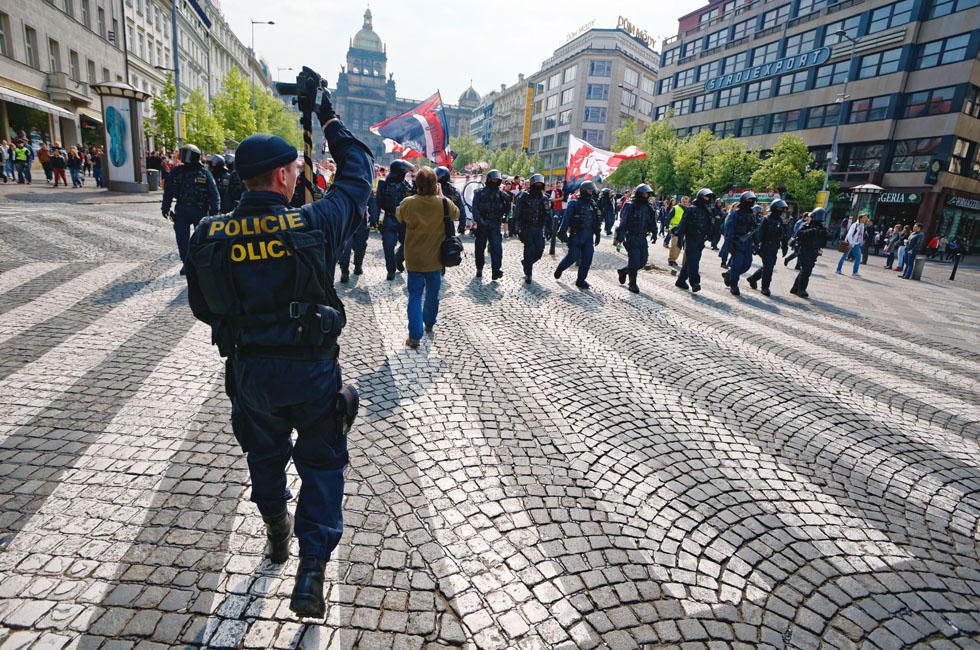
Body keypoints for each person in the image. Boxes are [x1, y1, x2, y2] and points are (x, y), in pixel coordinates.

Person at [185, 85, 372, 619]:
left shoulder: (209, 235)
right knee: (322, 463)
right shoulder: (313, 222)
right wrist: (329, 119)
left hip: (250, 373)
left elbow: (204, 308)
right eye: (293, 169)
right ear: (284, 175)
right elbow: (358, 175)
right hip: (312, 373)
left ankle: (276, 532)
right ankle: (311, 570)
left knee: (264, 457)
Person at [396, 166, 458, 347]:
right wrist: (441, 195)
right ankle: (429, 322)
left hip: (414, 259)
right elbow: (457, 214)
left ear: (417, 184)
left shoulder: (409, 203)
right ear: (436, 184)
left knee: (414, 296)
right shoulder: (443, 203)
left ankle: (415, 336)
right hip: (436, 259)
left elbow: (399, 215)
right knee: (433, 293)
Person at [161, 143, 219, 274]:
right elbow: (168, 191)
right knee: (182, 239)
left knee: (201, 239)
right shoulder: (176, 171)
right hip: (182, 210)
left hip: (200, 210)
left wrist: (214, 212)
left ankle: (200, 263)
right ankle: (186, 263)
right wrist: (165, 207)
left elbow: (214, 194)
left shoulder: (204, 173)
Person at [555, 181, 601, 289]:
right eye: (589, 190)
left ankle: (581, 280)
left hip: (589, 235)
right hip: (576, 234)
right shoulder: (574, 203)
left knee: (587, 257)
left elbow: (597, 220)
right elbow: (566, 219)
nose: (591, 192)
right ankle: (560, 269)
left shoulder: (593, 205)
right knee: (572, 256)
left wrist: (598, 233)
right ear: (584, 190)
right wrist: (562, 232)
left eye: (592, 190)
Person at [615, 184, 657, 294]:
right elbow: (623, 222)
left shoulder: (649, 207)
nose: (646, 195)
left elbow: (652, 221)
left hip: (642, 237)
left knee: (642, 262)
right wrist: (620, 237)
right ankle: (632, 283)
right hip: (631, 237)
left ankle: (624, 271)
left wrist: (655, 233)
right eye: (644, 193)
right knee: (634, 261)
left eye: (647, 194)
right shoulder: (629, 205)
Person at [471, 169, 511, 280]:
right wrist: (480, 221)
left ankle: (496, 271)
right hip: (482, 225)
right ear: (489, 179)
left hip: (495, 225)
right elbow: (475, 209)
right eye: (493, 179)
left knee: (497, 249)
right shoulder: (479, 192)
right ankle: (479, 268)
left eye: (496, 180)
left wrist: (505, 216)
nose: (494, 181)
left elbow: (508, 207)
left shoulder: (502, 195)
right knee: (479, 249)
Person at [377, 159, 413, 281]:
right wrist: (374, 219)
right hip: (389, 217)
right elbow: (377, 203)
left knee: (407, 244)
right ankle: (390, 270)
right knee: (388, 245)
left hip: (404, 219)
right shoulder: (383, 184)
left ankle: (398, 260)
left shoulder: (407, 184)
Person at [672, 188, 714, 293]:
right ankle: (694, 282)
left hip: (700, 240)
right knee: (694, 261)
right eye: (705, 196)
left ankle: (681, 280)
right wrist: (679, 237)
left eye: (708, 197)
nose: (706, 199)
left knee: (691, 260)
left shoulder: (707, 211)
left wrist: (711, 236)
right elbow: (683, 223)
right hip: (691, 238)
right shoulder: (690, 209)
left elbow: (709, 226)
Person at [746, 199, 788, 297]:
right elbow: (759, 233)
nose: (781, 210)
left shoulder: (780, 220)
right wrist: (757, 246)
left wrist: (784, 247)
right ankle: (765, 287)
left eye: (782, 208)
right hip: (766, 246)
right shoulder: (766, 220)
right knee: (768, 267)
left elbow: (783, 234)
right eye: (779, 208)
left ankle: (752, 278)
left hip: (774, 247)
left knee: (768, 266)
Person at [515, 174, 551, 284]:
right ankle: (528, 273)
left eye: (540, 184)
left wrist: (550, 229)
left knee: (539, 251)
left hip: (538, 228)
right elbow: (517, 212)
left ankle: (526, 263)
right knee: (529, 250)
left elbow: (547, 214)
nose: (538, 186)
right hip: (527, 227)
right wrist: (517, 228)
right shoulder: (524, 196)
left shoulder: (544, 198)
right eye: (537, 184)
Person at [722, 191, 757, 296]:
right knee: (737, 265)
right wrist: (729, 244)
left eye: (752, 200)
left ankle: (729, 274)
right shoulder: (735, 214)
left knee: (747, 265)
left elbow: (754, 230)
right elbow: (729, 230)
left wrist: (757, 244)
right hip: (737, 243)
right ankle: (734, 285)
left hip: (748, 244)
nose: (750, 202)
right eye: (748, 200)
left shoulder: (752, 215)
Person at [790, 207, 829, 298]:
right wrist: (814, 231)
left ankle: (795, 288)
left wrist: (824, 232)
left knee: (805, 270)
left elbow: (829, 237)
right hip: (805, 250)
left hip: (814, 251)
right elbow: (799, 233)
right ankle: (801, 289)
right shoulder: (807, 225)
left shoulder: (822, 228)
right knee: (806, 270)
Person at [338, 187, 374, 283]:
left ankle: (358, 265)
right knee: (345, 248)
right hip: (346, 222)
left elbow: (372, 202)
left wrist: (374, 217)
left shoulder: (365, 185)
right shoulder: (341, 186)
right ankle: (344, 271)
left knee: (361, 246)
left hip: (361, 222)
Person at [667, 196, 688, 267]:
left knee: (680, 246)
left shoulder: (688, 210)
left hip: (684, 231)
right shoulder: (675, 208)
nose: (685, 203)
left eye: (686, 202)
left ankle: (675, 260)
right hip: (675, 230)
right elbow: (668, 217)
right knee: (674, 244)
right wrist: (666, 227)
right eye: (684, 201)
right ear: (681, 201)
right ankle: (671, 259)